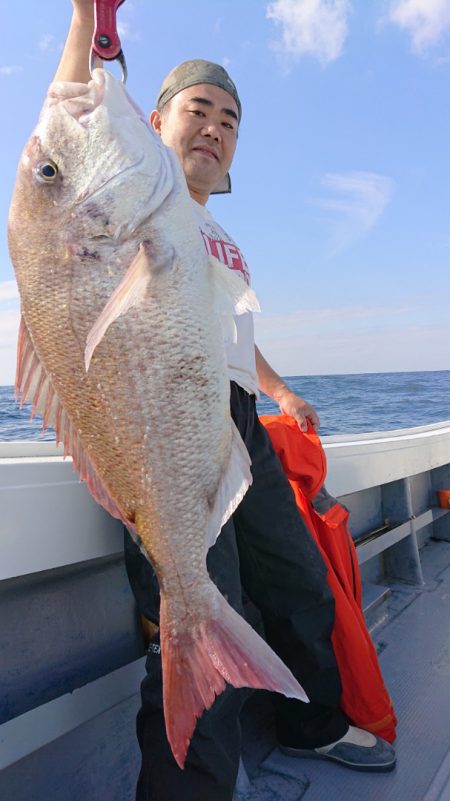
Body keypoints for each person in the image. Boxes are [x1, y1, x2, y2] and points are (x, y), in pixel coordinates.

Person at [55, 5, 396, 800]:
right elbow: (77, 118)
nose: (213, 127)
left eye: (229, 120)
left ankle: (313, 724)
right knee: (206, 607)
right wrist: (89, 25)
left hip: (241, 418)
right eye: (197, 109)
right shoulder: (140, 200)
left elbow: (239, 333)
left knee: (300, 579)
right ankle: (192, 786)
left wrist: (278, 390)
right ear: (156, 121)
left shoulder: (221, 238)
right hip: (164, 419)